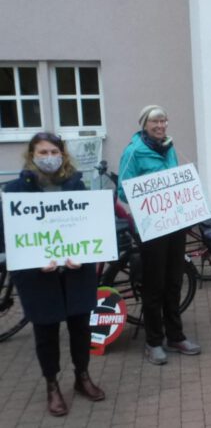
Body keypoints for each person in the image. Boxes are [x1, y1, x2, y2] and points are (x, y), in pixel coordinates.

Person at [0, 132, 104, 416]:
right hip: (38, 276)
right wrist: (34, 261)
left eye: (53, 152)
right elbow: (7, 237)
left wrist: (83, 255)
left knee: (80, 328)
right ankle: (52, 385)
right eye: (42, 152)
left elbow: (91, 228)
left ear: (63, 154)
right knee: (46, 332)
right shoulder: (15, 191)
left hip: (75, 272)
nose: (48, 158)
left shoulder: (77, 186)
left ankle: (82, 376)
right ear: (32, 155)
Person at [118, 105, 201, 365]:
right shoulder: (134, 151)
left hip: (174, 223)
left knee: (175, 281)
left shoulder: (170, 147)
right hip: (151, 228)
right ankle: (154, 341)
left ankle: (175, 335)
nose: (160, 125)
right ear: (144, 124)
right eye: (155, 121)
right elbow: (123, 190)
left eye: (163, 120)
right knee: (154, 285)